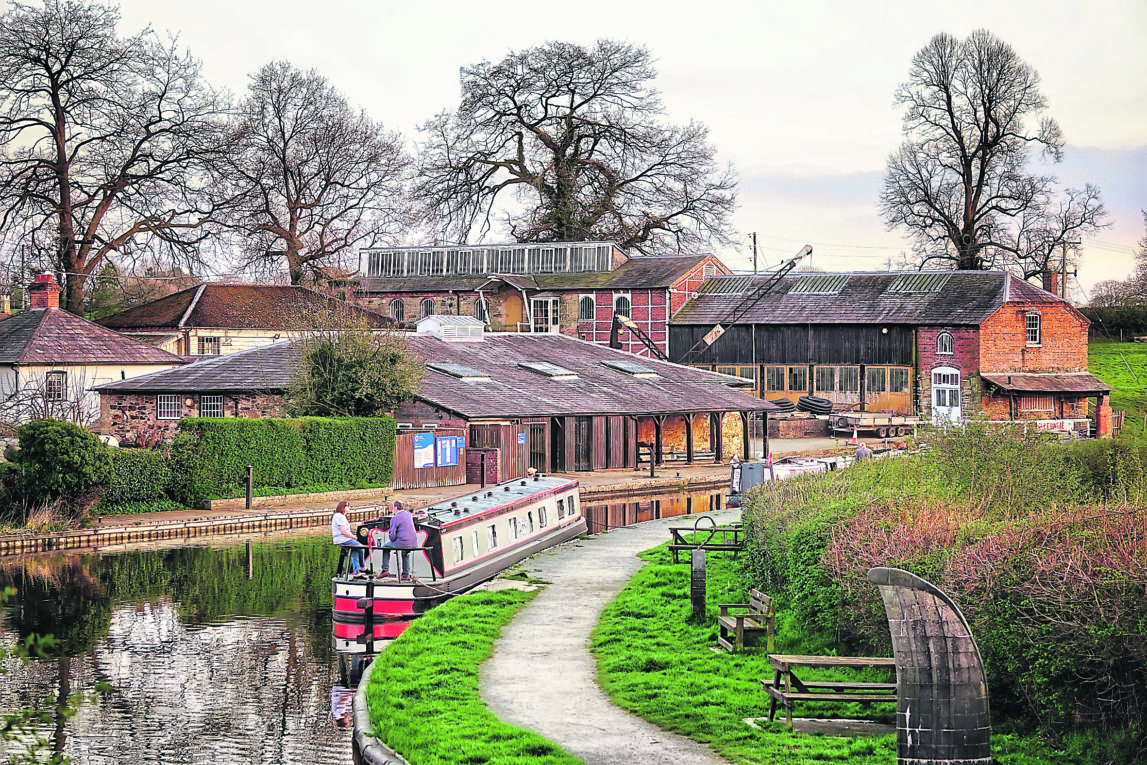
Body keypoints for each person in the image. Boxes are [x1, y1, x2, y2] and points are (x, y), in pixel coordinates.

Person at [380, 500, 417, 582]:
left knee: (385, 547)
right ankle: (405, 574)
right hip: (413, 542)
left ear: (395, 508)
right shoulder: (408, 514)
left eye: (393, 508)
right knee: (405, 552)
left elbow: (392, 535)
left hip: (402, 542)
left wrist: (393, 539)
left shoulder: (395, 518)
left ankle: (385, 569)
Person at [331, 500, 365, 576]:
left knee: (355, 552)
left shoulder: (340, 516)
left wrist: (352, 536)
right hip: (343, 539)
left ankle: (356, 572)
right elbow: (344, 532)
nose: (349, 507)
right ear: (343, 507)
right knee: (361, 547)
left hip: (342, 539)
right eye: (348, 506)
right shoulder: (340, 516)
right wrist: (353, 537)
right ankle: (362, 567)